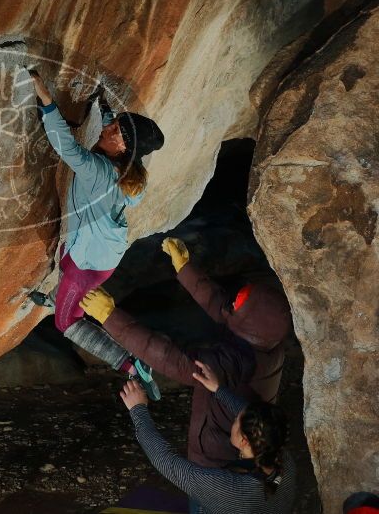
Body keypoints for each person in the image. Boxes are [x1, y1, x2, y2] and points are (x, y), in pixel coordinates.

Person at [79, 236, 293, 471]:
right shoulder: (267, 338)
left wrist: (110, 316)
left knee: (207, 499)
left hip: (216, 460)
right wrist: (185, 268)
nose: (233, 303)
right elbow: (225, 308)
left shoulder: (236, 360)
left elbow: (174, 360)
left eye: (240, 304)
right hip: (242, 445)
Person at [26, 71, 165, 396]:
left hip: (86, 262)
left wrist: (46, 98)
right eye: (112, 123)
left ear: (122, 146)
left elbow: (66, 146)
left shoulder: (98, 171)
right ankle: (60, 298)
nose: (107, 129)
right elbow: (114, 132)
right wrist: (103, 108)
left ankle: (132, 364)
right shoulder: (133, 177)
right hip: (103, 258)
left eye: (114, 130)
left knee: (65, 323)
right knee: (66, 260)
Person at [120, 361, 296, 513]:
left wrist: (138, 410)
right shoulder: (284, 460)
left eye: (236, 420)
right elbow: (251, 414)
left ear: (244, 441)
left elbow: (168, 462)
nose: (234, 418)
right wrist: (218, 389)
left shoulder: (229, 489)